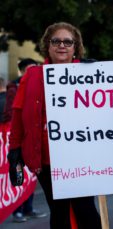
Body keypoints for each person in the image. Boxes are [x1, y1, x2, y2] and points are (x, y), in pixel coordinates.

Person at [7, 22, 101, 229]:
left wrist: (98, 76)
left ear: (75, 47)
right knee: (58, 210)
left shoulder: (90, 74)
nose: (62, 45)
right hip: (46, 159)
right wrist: (14, 150)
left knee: (85, 208)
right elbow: (18, 114)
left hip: (82, 156)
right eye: (56, 41)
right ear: (47, 46)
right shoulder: (31, 76)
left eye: (68, 42)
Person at [4, 58, 48, 223]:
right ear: (22, 71)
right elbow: (10, 114)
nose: (34, 73)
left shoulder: (41, 84)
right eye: (30, 70)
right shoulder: (14, 89)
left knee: (30, 180)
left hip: (35, 143)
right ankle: (18, 212)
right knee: (20, 177)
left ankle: (28, 208)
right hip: (22, 142)